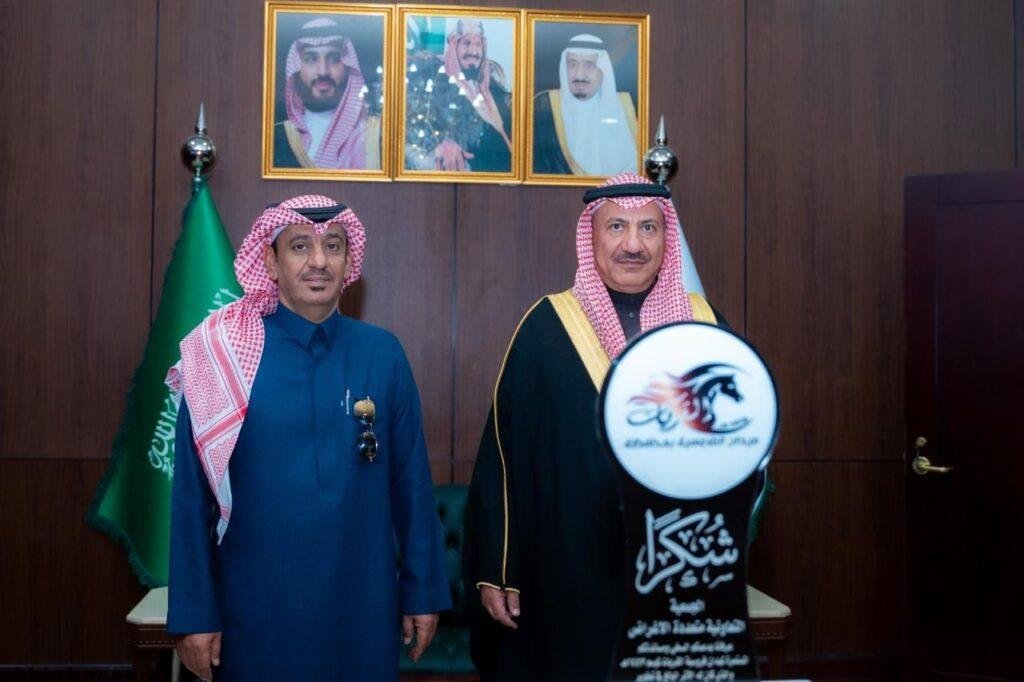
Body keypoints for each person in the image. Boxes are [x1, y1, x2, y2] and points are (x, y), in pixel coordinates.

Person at [462, 174, 767, 680]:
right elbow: (503, 454)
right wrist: (498, 568)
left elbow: (742, 443)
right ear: (592, 237)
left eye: (648, 228)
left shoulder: (703, 326)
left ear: (666, 239)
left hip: (674, 565)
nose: (633, 244)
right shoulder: (546, 326)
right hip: (568, 565)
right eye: (617, 227)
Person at [166, 195, 451, 681]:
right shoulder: (222, 358)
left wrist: (423, 592)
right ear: (270, 263)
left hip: (362, 611)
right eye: (300, 246)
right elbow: (192, 498)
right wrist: (194, 614)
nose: (319, 261)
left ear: (348, 261)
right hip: (255, 613)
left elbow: (413, 488)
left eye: (333, 246)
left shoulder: (382, 354)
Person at [404, 19, 513, 172]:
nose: (473, 52)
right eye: (466, 43)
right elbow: (414, 124)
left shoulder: (493, 90)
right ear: (454, 46)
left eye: (478, 44)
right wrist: (440, 145)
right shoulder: (437, 80)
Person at [273, 17, 380, 170]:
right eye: (310, 59)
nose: (323, 71)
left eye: (334, 59)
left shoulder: (374, 136)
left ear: (348, 68)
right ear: (296, 68)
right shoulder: (276, 137)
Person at [532, 34, 638, 176]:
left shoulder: (627, 107)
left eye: (589, 65)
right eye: (572, 64)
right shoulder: (544, 105)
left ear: (603, 70)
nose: (579, 75)